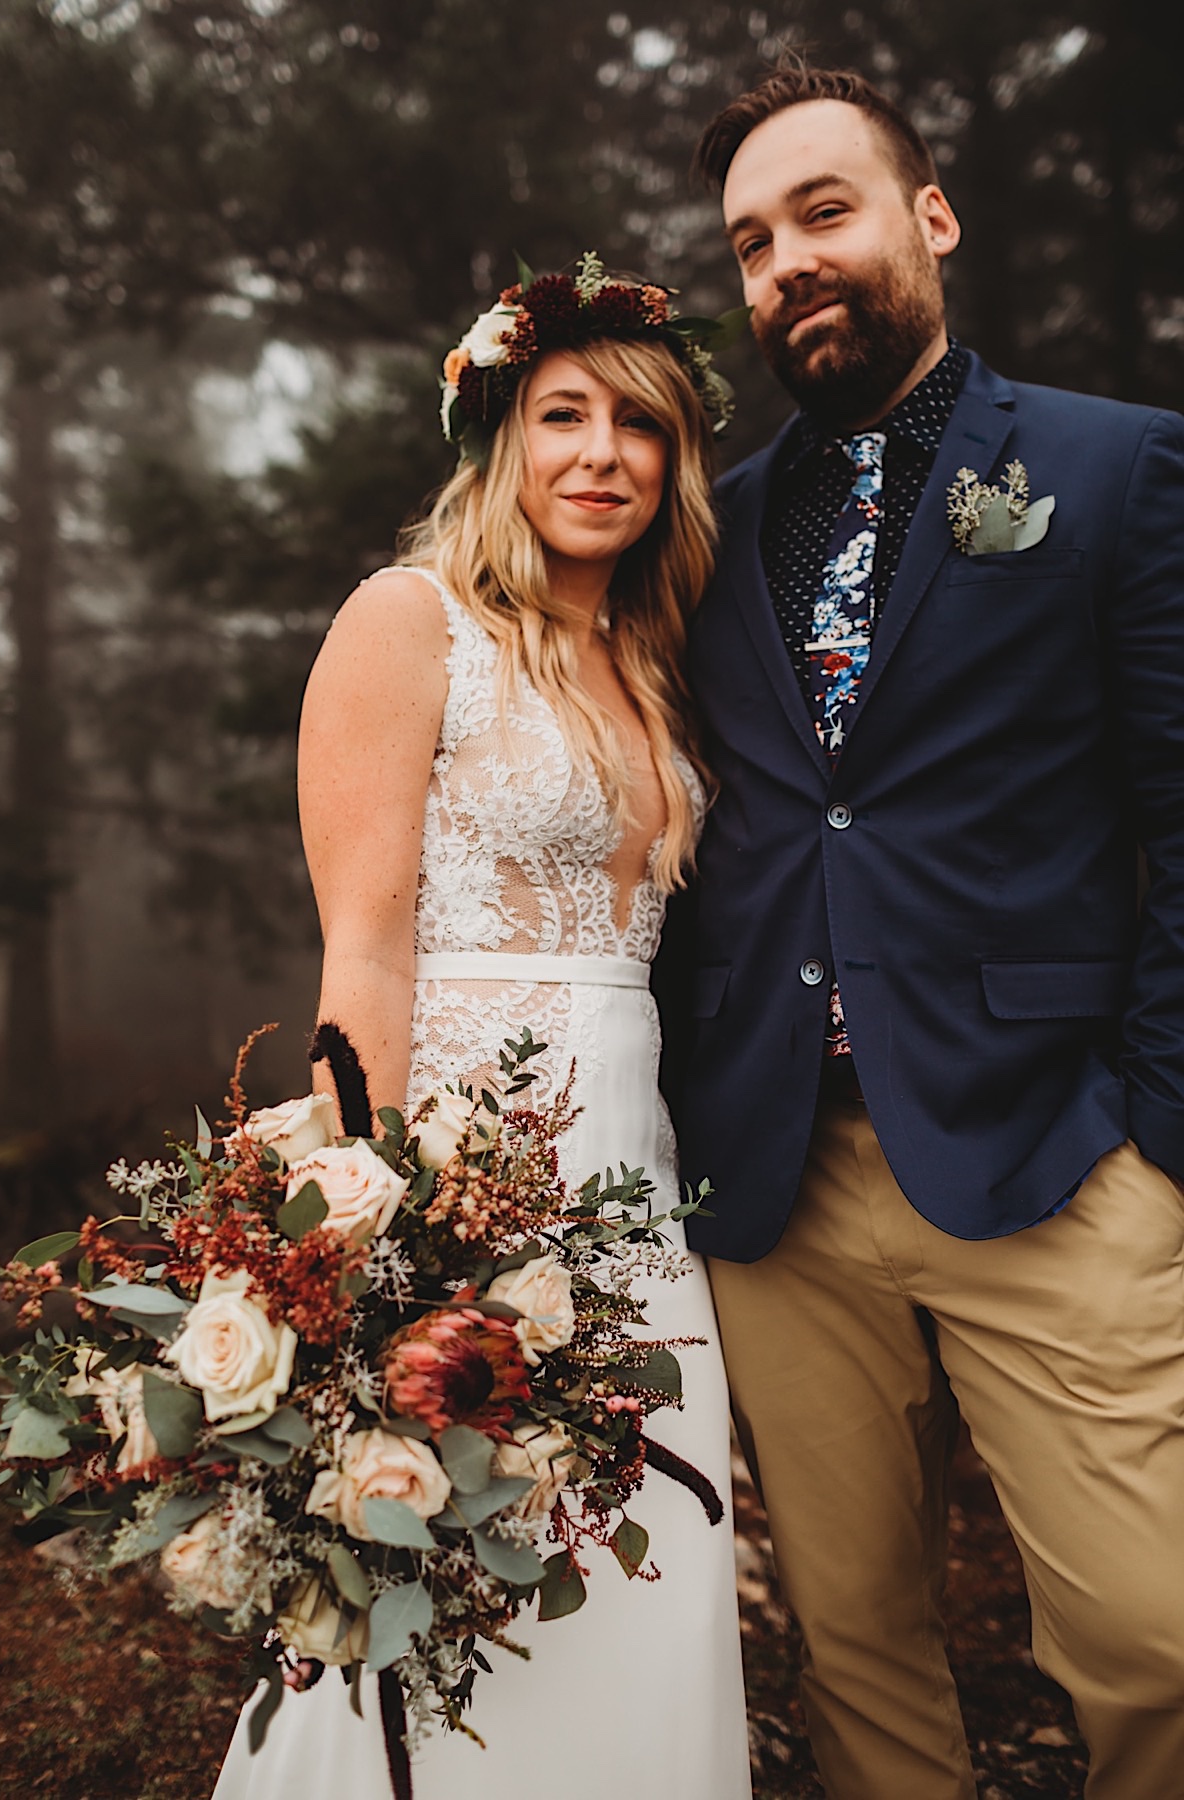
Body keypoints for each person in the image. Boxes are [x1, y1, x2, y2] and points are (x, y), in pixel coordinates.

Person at [657, 53, 1184, 1800]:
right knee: (853, 1642)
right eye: (751, 242)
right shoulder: (700, 535)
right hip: (782, 1176)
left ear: (929, 216)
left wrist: (1159, 1136)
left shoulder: (1113, 471)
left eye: (825, 210)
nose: (787, 262)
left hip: (1052, 1149)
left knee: (1157, 1633)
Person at [211, 257, 752, 1800]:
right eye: (562, 414)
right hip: (467, 1162)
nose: (603, 454)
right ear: (497, 436)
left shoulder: (660, 661)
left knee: (639, 1550)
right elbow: (364, 950)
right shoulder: (408, 622)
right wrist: (368, 1237)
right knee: (444, 1552)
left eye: (640, 426)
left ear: (676, 459)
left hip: (636, 1191)